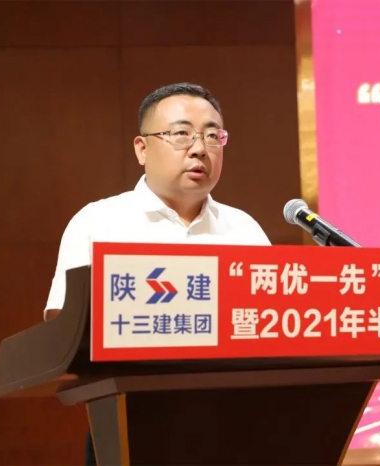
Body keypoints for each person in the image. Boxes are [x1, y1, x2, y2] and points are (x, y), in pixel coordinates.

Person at [41, 82, 272, 464]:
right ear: (142, 149)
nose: (200, 148)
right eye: (181, 134)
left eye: (212, 136)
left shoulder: (244, 230)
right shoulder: (99, 222)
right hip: (130, 423)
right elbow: (63, 327)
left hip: (235, 426)